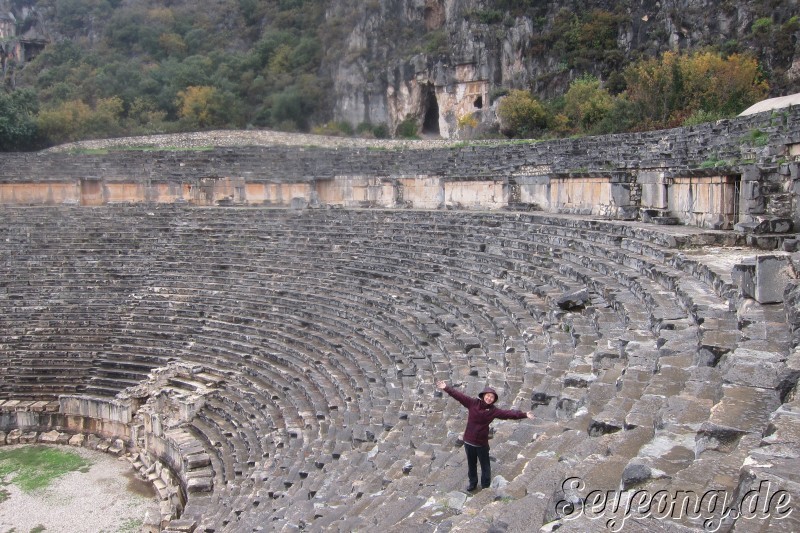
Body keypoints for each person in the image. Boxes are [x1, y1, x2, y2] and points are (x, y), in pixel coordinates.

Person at [437, 380, 534, 492]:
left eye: (492, 397)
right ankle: (472, 484)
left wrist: (524, 414)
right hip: (469, 441)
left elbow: (508, 414)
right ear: (483, 396)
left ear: (493, 400)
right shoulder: (472, 403)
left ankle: (485, 486)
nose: (489, 398)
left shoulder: (493, 411)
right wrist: (446, 387)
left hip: (481, 443)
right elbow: (459, 396)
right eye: (488, 396)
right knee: (471, 465)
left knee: (485, 466)